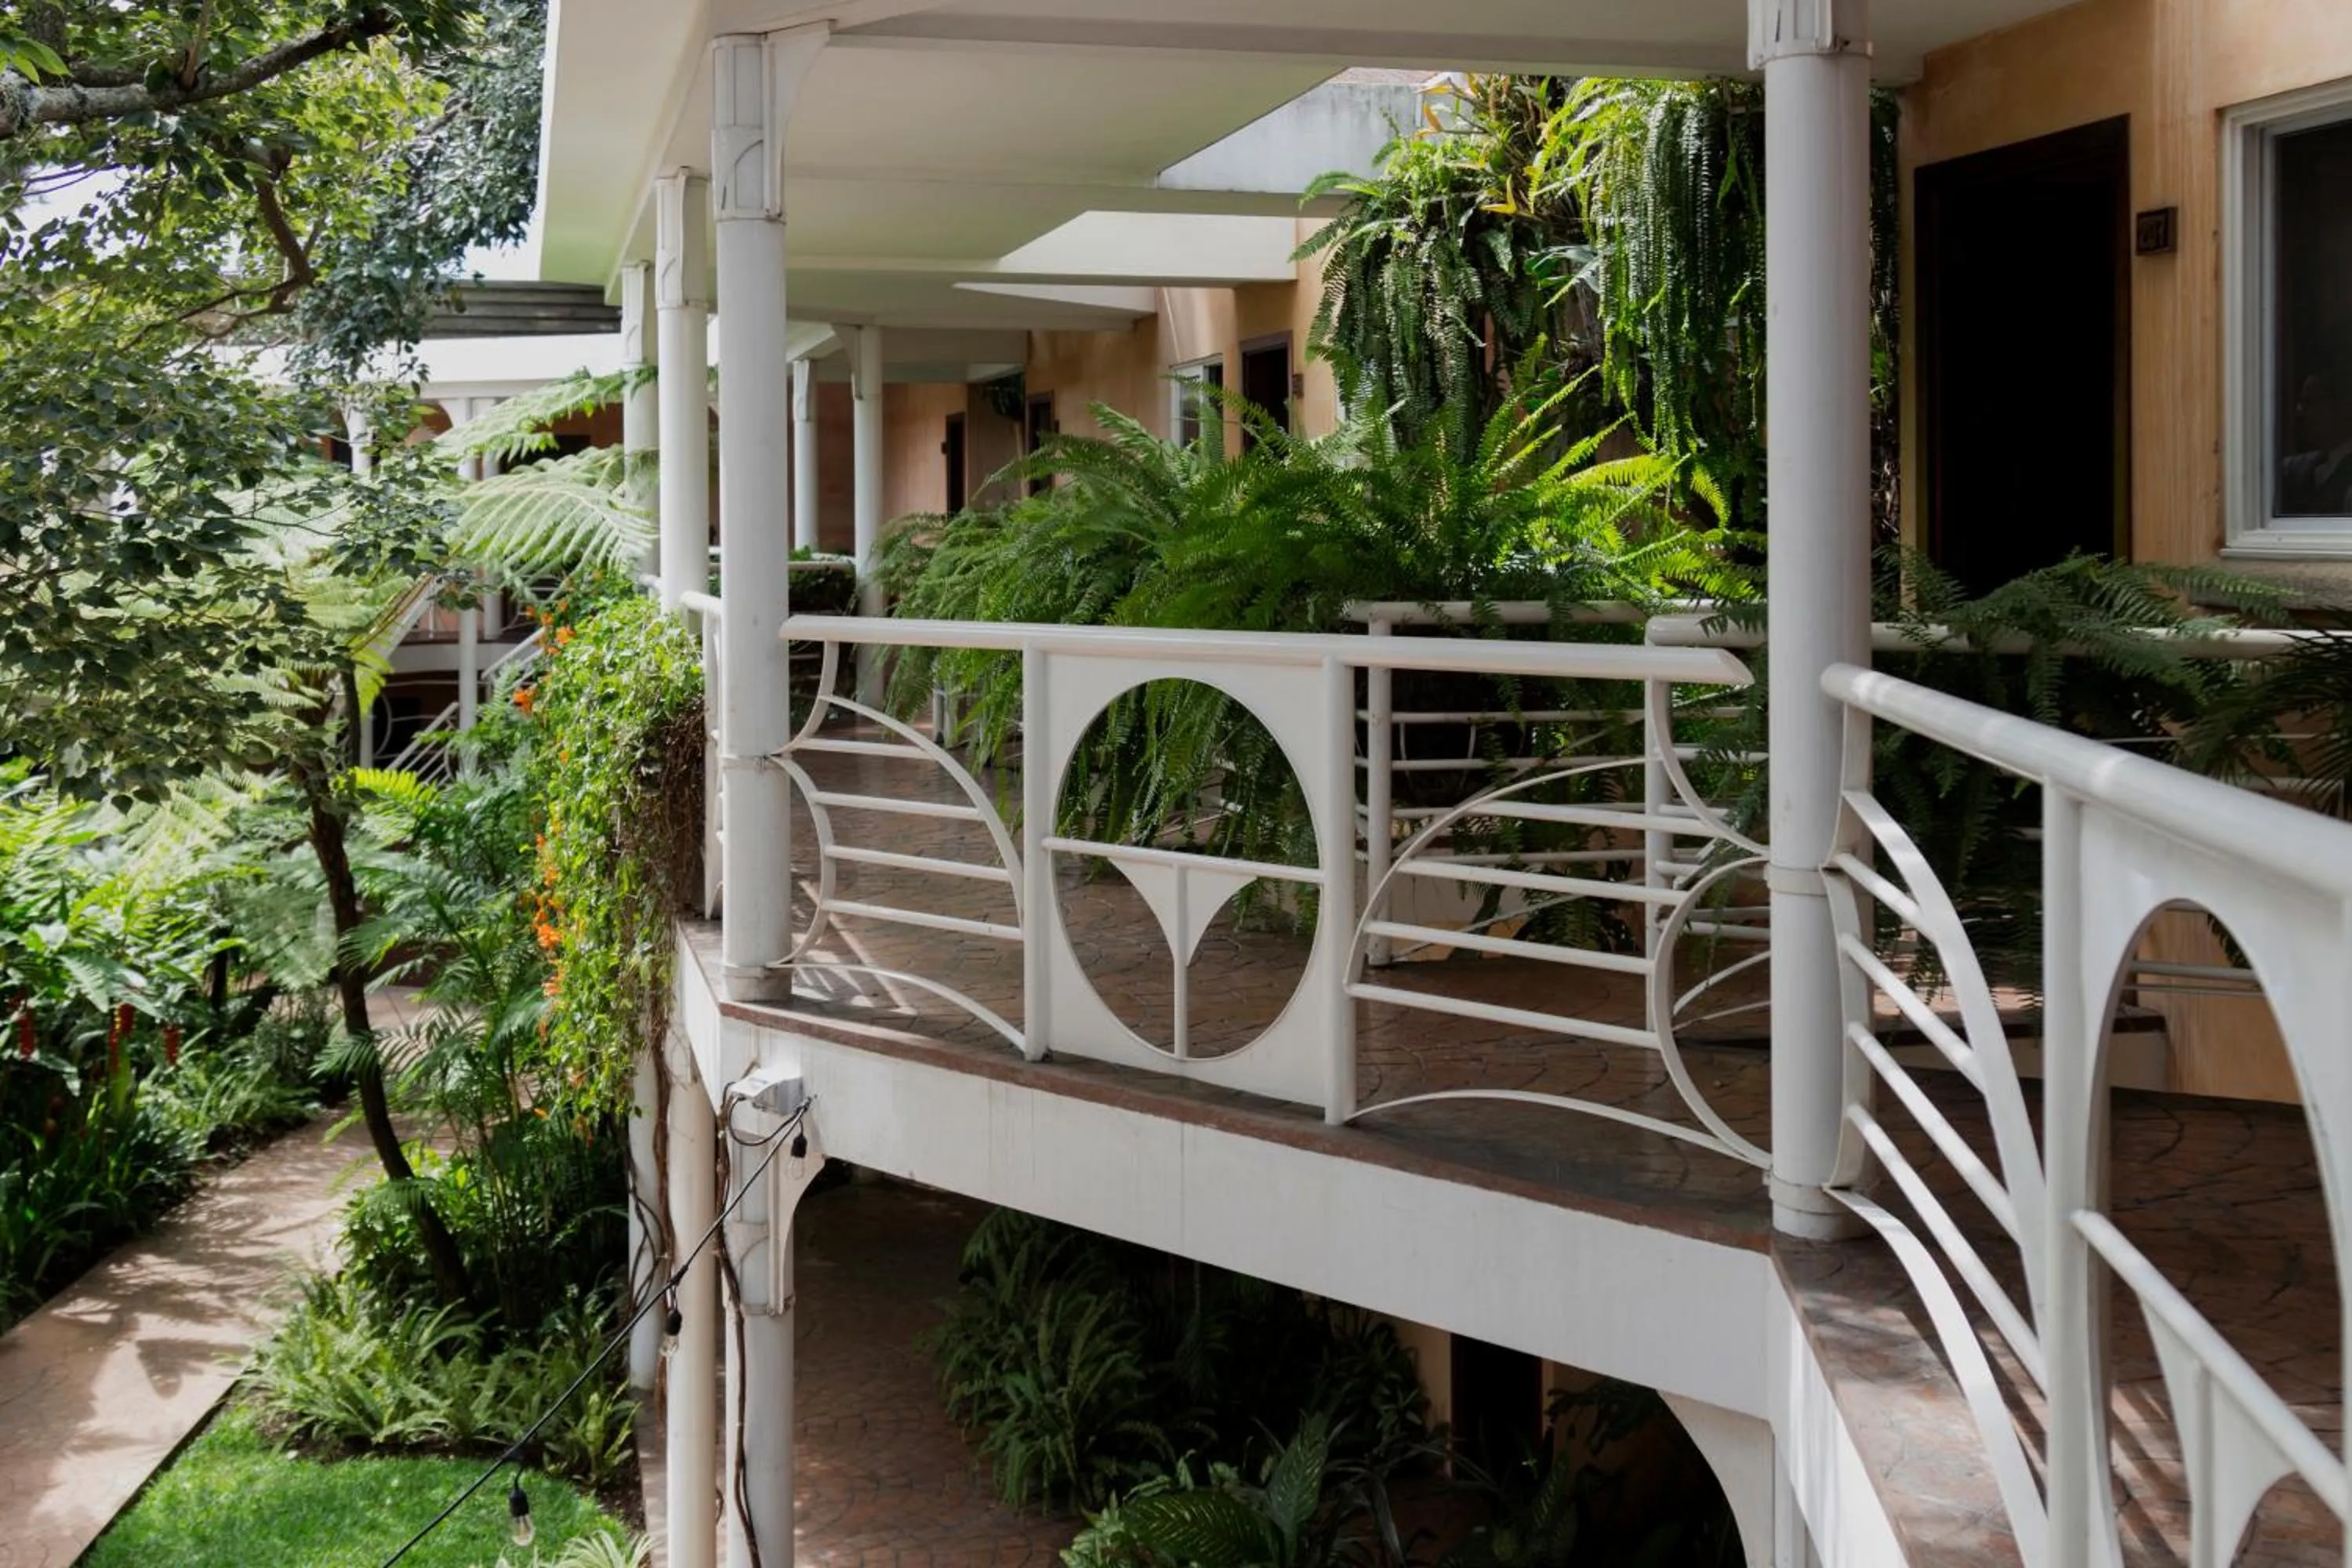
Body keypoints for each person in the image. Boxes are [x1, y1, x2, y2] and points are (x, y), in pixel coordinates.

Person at [2281, 367, 2352, 516]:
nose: (2300, 411)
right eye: (2301, 403)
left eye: (2311, 402)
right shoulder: (2295, 467)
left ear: (2343, 406)